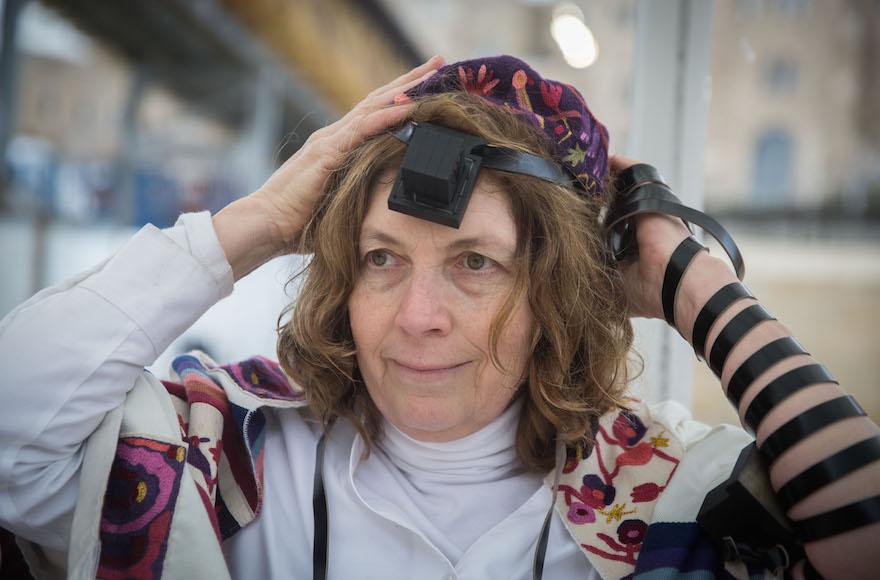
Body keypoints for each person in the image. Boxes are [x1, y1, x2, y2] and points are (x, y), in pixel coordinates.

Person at [0, 54, 877, 580]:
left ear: (555, 297)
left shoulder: (674, 493)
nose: (417, 317)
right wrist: (252, 226)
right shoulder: (224, 454)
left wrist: (693, 284)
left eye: (475, 265)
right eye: (381, 258)